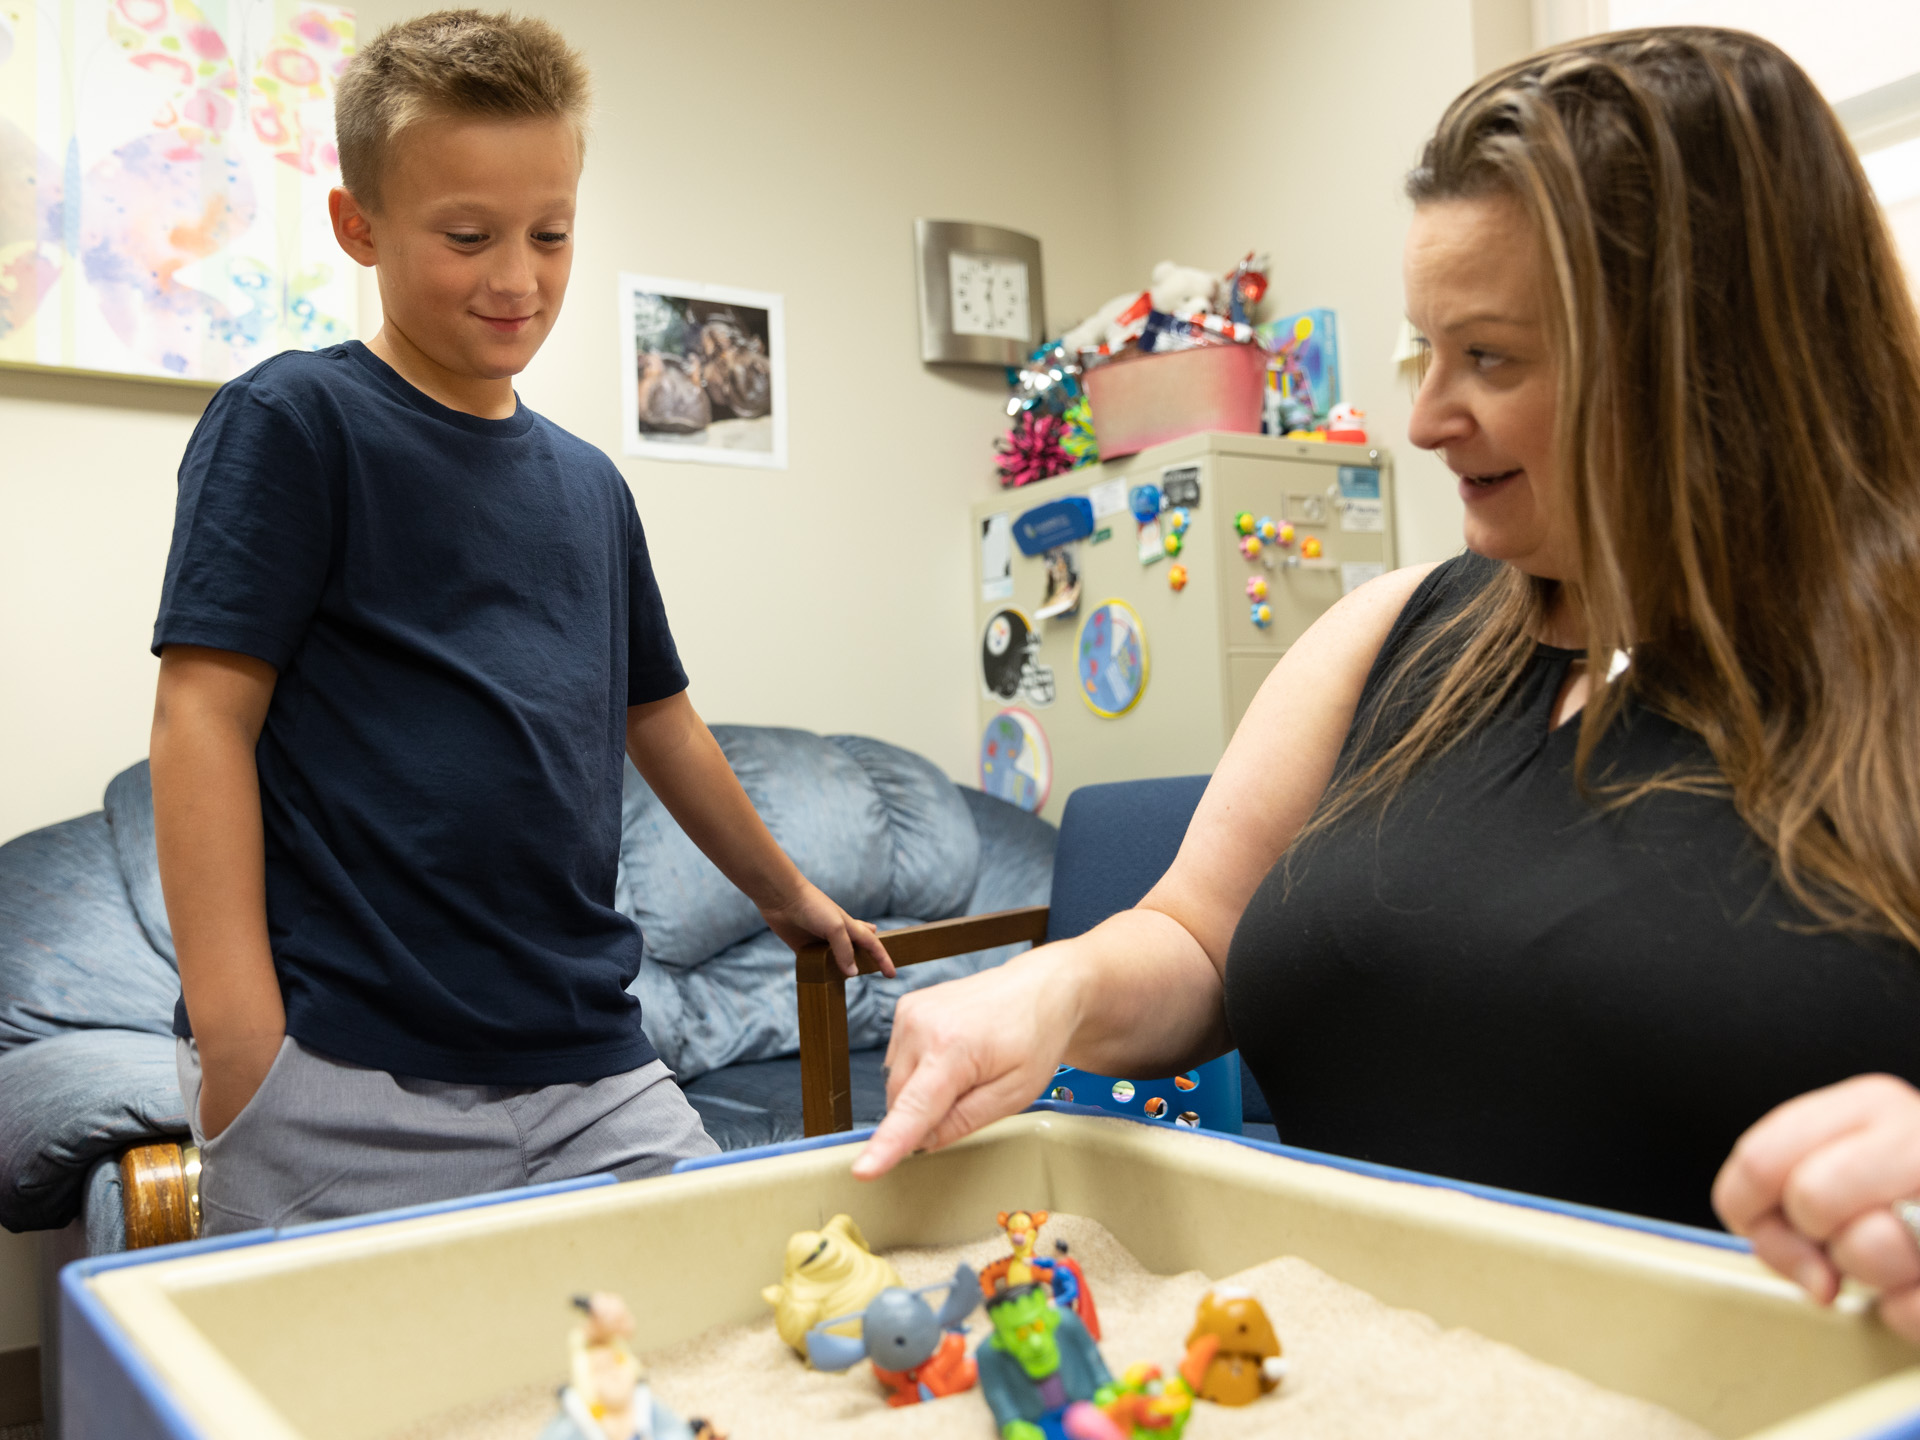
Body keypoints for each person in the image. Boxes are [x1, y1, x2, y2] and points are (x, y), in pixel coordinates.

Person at [858, 21, 1920, 1312]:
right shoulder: (1393, 633)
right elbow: (1197, 936)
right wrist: (1054, 986)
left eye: (1493, 359)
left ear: (1702, 357)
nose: (1423, 421)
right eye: (1427, 351)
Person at [149, 8, 890, 1236]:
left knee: (722, 1334)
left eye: (551, 234)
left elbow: (664, 720)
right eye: (467, 235)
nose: (518, 277)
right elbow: (200, 718)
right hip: (345, 1073)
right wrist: (241, 1040)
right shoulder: (294, 422)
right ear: (359, 226)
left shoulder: (591, 485)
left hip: (593, 1063)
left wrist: (785, 893)